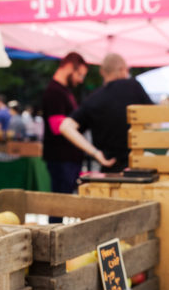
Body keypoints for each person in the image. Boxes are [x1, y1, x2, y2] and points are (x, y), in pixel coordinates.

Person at [60, 53, 152, 173]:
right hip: (138, 169)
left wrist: (95, 153)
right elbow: (154, 121)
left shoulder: (93, 99)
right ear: (122, 70)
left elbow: (65, 127)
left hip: (109, 171)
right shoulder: (134, 86)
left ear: (102, 72)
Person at [42, 52, 94, 195]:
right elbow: (57, 127)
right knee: (59, 205)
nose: (81, 80)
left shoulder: (64, 91)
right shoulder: (54, 92)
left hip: (68, 160)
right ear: (71, 67)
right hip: (61, 160)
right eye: (80, 74)